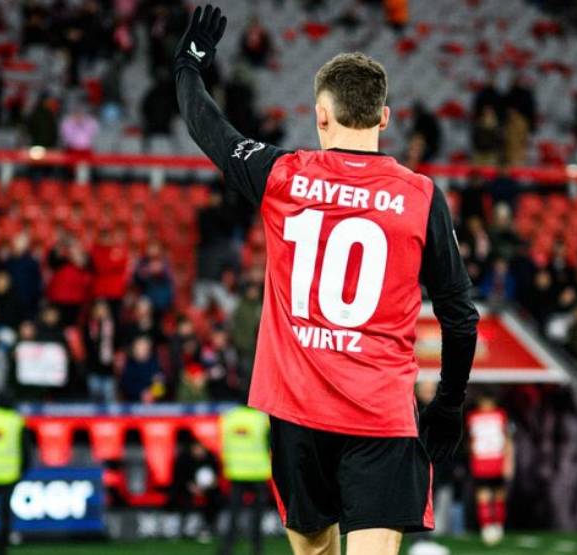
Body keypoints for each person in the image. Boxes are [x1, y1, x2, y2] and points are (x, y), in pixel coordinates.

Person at [174, 7, 478, 555]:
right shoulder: (421, 196)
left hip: (299, 415)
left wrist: (189, 68)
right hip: (381, 417)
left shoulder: (282, 175)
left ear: (320, 115)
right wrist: (450, 402)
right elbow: (459, 316)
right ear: (384, 118)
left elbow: (210, 129)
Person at [219, 406, 271, 555]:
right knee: (258, 515)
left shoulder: (228, 417)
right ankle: (257, 548)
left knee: (234, 512)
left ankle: (227, 548)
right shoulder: (262, 418)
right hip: (258, 472)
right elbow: (271, 443)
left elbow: (223, 444)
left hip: (236, 472)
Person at [466, 391, 513, 546]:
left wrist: (508, 462)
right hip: (481, 464)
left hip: (497, 462)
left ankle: (498, 525)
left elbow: (507, 439)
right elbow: (470, 442)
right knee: (483, 496)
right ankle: (487, 527)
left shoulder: (500, 415)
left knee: (499, 495)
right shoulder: (472, 416)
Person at [0, 393, 31, 555]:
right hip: (8, 476)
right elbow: (25, 450)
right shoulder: (16, 421)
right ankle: (2, 549)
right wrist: (23, 470)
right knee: (5, 515)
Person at [170, 433, 221, 543]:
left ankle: (207, 527)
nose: (199, 451)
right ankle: (182, 529)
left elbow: (216, 476)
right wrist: (191, 487)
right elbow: (179, 477)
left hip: (207, 488)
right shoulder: (183, 458)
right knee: (178, 496)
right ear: (192, 449)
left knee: (216, 497)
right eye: (197, 449)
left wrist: (211, 484)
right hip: (186, 487)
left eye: (201, 449)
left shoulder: (210, 458)